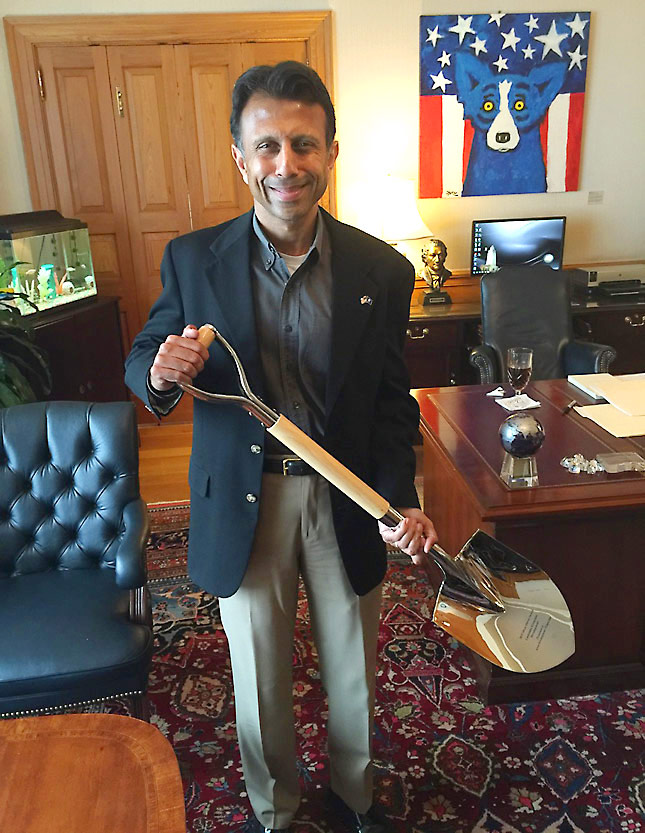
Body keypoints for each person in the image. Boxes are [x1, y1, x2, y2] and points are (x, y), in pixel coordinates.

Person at [125, 61, 438, 833]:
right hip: (244, 494)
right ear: (240, 157)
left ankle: (355, 798)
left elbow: (391, 400)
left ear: (332, 151)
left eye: (303, 144)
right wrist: (161, 372)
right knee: (258, 672)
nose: (285, 165)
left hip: (345, 496)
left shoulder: (382, 268)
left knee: (353, 668)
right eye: (266, 146)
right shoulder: (191, 259)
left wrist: (400, 494)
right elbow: (145, 357)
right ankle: (276, 811)